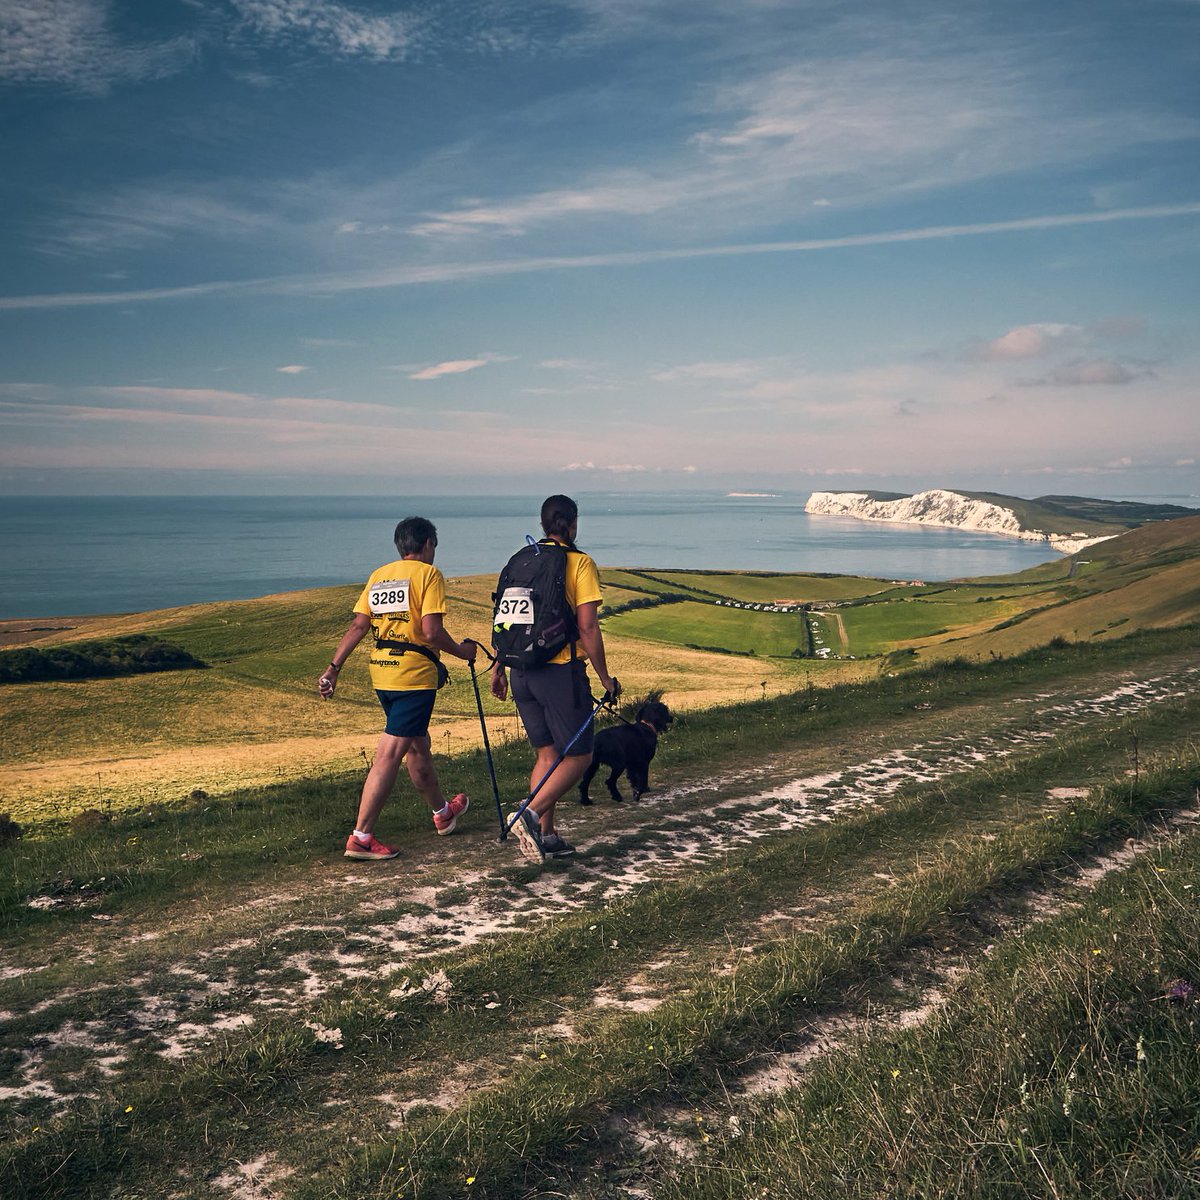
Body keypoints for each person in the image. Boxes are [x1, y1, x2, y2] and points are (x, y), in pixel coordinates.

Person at [318, 516, 477, 860]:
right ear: (428, 545)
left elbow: (360, 625)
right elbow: (431, 631)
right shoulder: (429, 575)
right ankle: (361, 837)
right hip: (414, 676)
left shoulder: (379, 576)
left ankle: (443, 814)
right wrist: (464, 652)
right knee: (389, 754)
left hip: (382, 674)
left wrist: (333, 668)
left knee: (417, 746)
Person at [491, 494, 617, 863]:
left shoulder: (520, 560)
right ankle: (529, 815)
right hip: (560, 672)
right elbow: (588, 626)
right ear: (572, 524)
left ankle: (546, 836)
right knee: (578, 756)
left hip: (522, 672)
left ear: (545, 524)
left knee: (547, 754)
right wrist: (605, 678)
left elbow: (507, 618)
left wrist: (499, 666)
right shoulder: (578, 563)